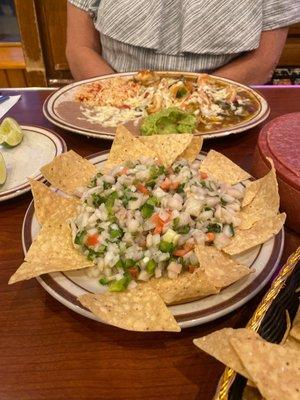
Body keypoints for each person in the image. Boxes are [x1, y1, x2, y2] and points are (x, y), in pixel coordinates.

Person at [66, 0, 300, 84]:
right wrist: (126, 106)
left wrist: (189, 109)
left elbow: (262, 62)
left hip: (220, 110)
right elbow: (80, 47)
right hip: (111, 108)